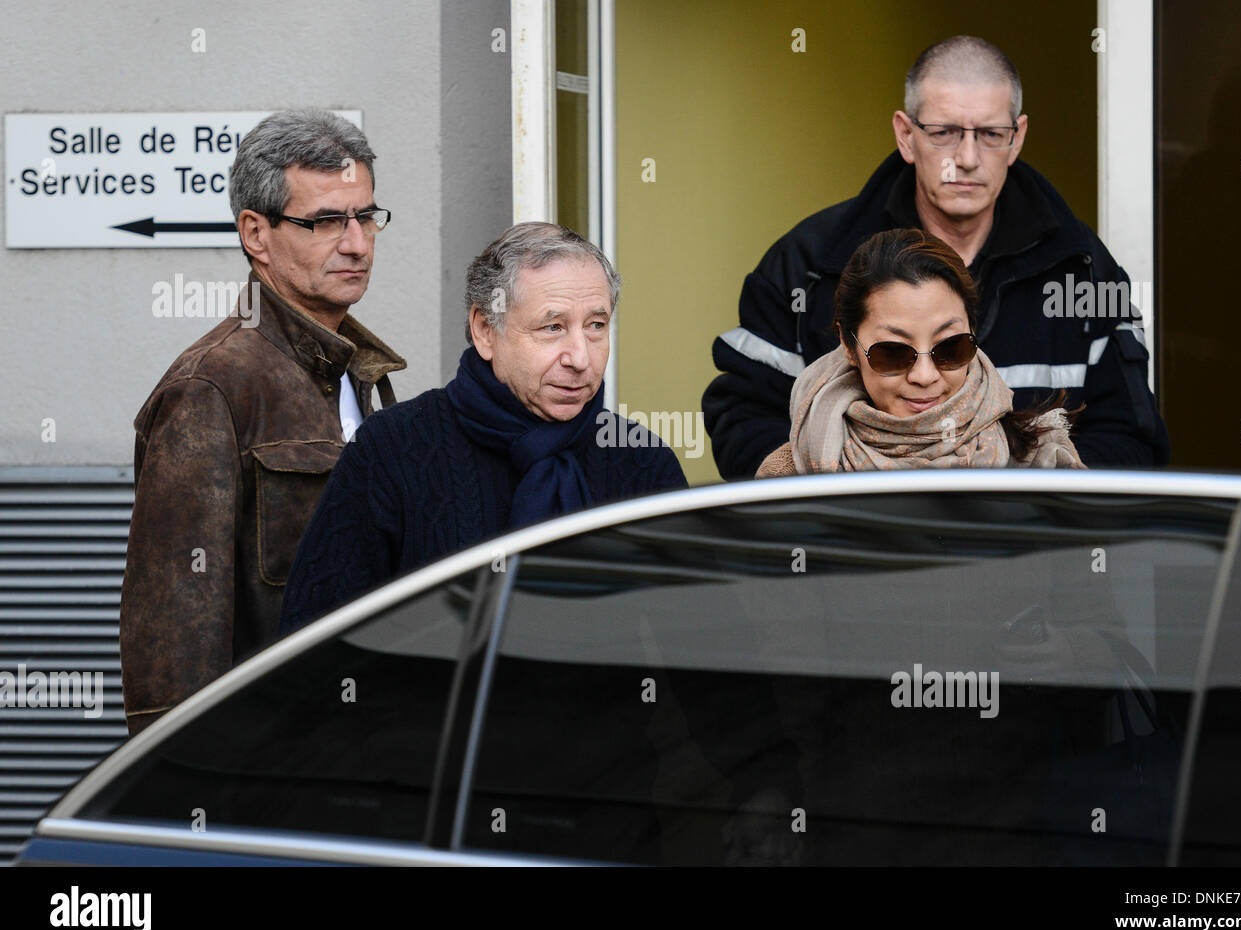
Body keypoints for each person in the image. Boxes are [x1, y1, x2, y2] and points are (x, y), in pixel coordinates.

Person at [704, 35, 1169, 479]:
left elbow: (1130, 435)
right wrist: (835, 488)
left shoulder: (1081, 268)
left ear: (1018, 137)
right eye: (944, 132)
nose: (967, 157)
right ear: (906, 136)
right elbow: (742, 418)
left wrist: (1019, 504)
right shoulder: (808, 264)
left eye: (990, 133)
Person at [119, 109, 406, 735]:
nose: (357, 242)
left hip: (370, 748)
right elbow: (175, 637)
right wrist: (190, 792)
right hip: (274, 764)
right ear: (256, 233)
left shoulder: (365, 374)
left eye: (365, 216)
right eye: (327, 220)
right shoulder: (210, 388)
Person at [279, 222, 688, 634]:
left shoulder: (640, 461)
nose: (580, 357)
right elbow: (318, 642)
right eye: (553, 327)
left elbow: (696, 640)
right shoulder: (392, 451)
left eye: (596, 326)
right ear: (485, 330)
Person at [757, 228, 1082, 476]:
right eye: (893, 353)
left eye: (950, 348)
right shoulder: (791, 474)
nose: (925, 376)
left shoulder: (1041, 462)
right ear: (849, 346)